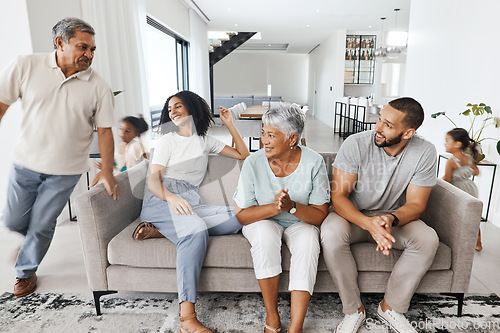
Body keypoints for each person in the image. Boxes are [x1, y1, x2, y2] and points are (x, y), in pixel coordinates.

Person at [0, 17, 118, 298]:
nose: (88, 54)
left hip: (66, 169)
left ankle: (25, 272)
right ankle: (31, 241)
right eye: (82, 47)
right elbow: (2, 103)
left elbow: (104, 132)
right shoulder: (25, 66)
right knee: (13, 220)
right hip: (25, 163)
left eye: (92, 49)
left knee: (42, 223)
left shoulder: (97, 85)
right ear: (60, 42)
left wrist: (109, 170)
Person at [321, 97, 439, 333]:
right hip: (352, 217)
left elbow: (416, 204)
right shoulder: (355, 144)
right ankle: (353, 310)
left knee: (427, 239)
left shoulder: (425, 152)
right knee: (331, 233)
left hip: (391, 218)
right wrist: (368, 223)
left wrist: (390, 220)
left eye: (388, 125)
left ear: (408, 133)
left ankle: (391, 307)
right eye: (379, 120)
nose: (378, 128)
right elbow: (339, 197)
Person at [138, 90, 249, 333]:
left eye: (177, 106)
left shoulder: (205, 140)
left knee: (242, 215)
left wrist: (229, 124)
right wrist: (172, 197)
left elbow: (243, 154)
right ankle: (187, 319)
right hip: (163, 199)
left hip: (192, 202)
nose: (172, 112)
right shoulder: (167, 141)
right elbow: (153, 182)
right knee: (196, 229)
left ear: (192, 108)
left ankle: (162, 231)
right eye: (169, 109)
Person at [234, 105, 330, 333]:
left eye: (271, 135)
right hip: (262, 220)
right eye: (263, 133)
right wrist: (275, 207)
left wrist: (292, 207)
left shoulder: (314, 162)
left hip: (300, 222)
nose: (263, 140)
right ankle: (272, 316)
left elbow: (319, 215)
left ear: (292, 138)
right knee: (265, 235)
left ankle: (296, 327)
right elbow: (242, 215)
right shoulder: (252, 163)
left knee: (308, 242)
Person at [442, 128, 482, 250]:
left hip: (458, 190)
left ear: (457, 144)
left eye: (447, 141)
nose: (445, 143)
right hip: (470, 189)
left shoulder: (451, 161)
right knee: (473, 216)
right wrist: (464, 174)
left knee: (455, 215)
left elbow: (447, 181)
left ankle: (454, 240)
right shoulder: (469, 158)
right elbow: (476, 172)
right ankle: (478, 243)